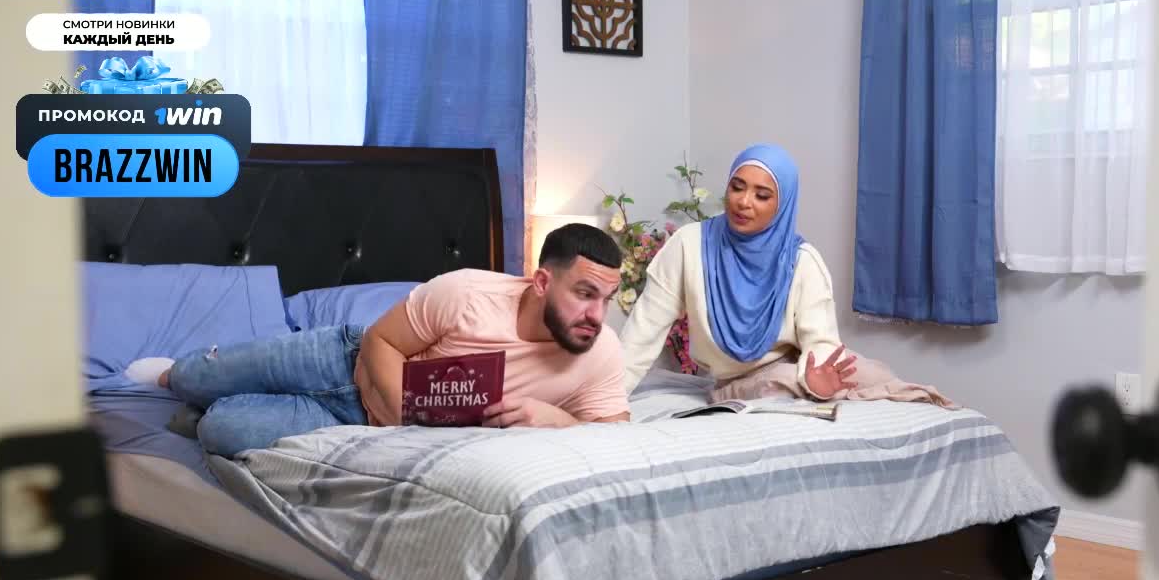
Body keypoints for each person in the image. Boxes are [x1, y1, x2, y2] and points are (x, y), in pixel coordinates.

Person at [157, 223, 630, 457]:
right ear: (543, 282)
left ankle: (209, 411)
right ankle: (180, 377)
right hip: (344, 360)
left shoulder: (601, 350)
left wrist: (557, 419)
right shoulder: (466, 293)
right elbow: (382, 340)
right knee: (191, 376)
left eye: (607, 300)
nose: (596, 315)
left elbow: (618, 434)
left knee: (221, 431)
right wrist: (407, 414)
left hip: (358, 423)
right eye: (584, 294)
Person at [620, 143, 956, 408]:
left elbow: (822, 341)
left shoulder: (801, 260)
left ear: (783, 204)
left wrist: (818, 380)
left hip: (798, 364)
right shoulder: (688, 244)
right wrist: (606, 397)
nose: (744, 202)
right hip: (736, 381)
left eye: (762, 195)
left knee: (873, 374)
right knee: (780, 382)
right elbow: (644, 329)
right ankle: (803, 387)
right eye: (737, 187)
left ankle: (938, 405)